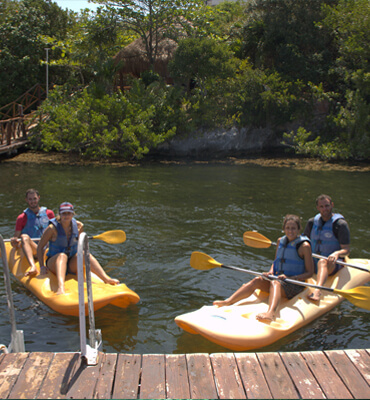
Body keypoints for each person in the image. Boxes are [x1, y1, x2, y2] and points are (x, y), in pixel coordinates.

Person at [213, 214, 314, 322]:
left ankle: (271, 313)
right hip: (278, 279)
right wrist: (270, 272)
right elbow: (276, 262)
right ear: (284, 229)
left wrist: (293, 278)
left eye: (293, 228)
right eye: (287, 228)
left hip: (295, 284)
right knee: (257, 280)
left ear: (299, 229)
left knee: (276, 283)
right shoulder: (281, 241)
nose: (290, 231)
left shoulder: (304, 246)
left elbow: (310, 273)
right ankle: (228, 301)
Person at [37, 202, 119, 295]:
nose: (66, 216)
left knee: (84, 253)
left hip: (71, 263)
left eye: (69, 213)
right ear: (60, 214)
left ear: (72, 214)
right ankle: (61, 287)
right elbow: (40, 247)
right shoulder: (52, 229)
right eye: (64, 213)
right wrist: (42, 266)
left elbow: (81, 245)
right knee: (62, 256)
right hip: (54, 263)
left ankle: (106, 279)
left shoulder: (79, 226)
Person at [304, 194, 350, 301]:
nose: (325, 209)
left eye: (327, 206)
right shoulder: (312, 222)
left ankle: (317, 291)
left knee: (322, 262)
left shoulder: (340, 224)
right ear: (317, 208)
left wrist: (337, 253)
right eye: (322, 206)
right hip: (313, 262)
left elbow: (346, 250)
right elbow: (304, 242)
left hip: (332, 264)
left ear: (332, 205)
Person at [11, 188, 55, 277]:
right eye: (30, 199)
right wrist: (14, 241)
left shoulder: (49, 213)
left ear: (38, 198)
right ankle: (33, 266)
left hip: (48, 248)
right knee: (24, 237)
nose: (33, 201)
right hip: (35, 249)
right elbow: (16, 239)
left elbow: (56, 231)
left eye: (34, 198)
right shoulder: (21, 218)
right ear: (26, 200)